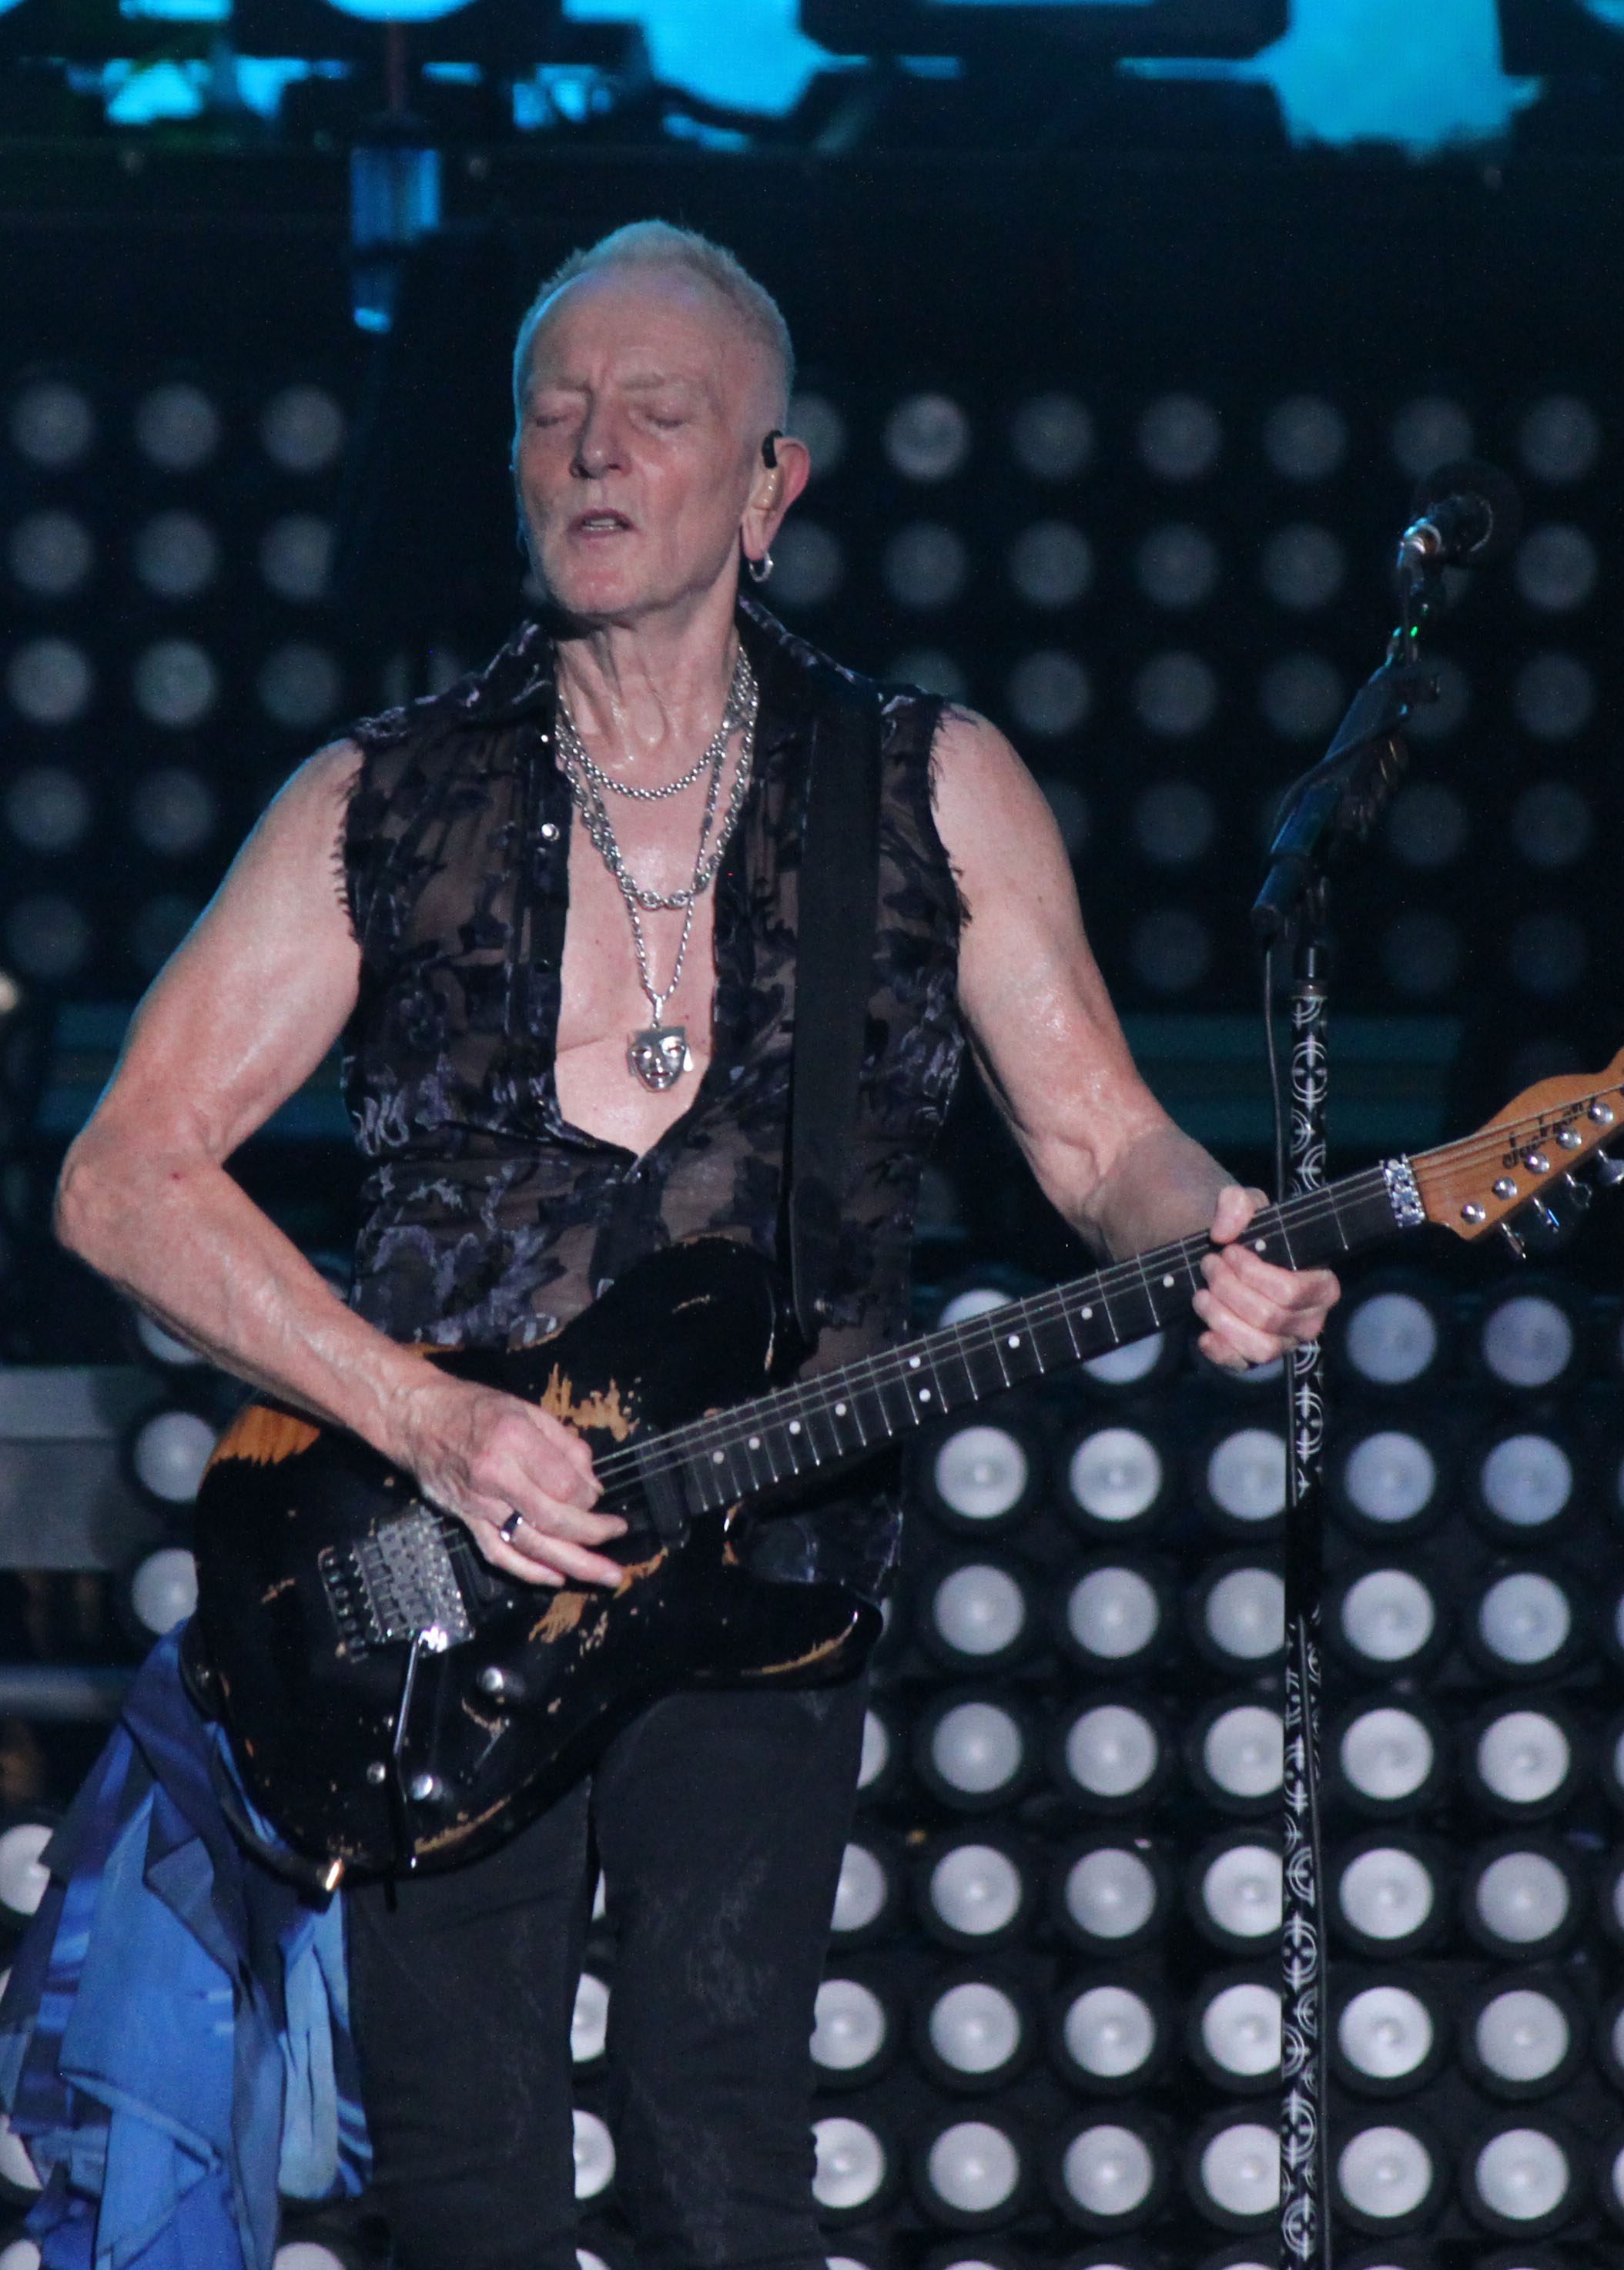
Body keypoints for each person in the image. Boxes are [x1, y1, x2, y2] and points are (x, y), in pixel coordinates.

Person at [47, 223, 1339, 2270]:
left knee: (716, 2160)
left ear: (768, 487)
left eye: (656, 412)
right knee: (462, 2187)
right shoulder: (381, 799)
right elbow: (122, 1178)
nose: (595, 448)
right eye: (555, 409)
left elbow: (1105, 1145)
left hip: (770, 1578)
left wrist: (1217, 1235)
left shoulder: (923, 785)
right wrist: (426, 1418)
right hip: (431, 1588)